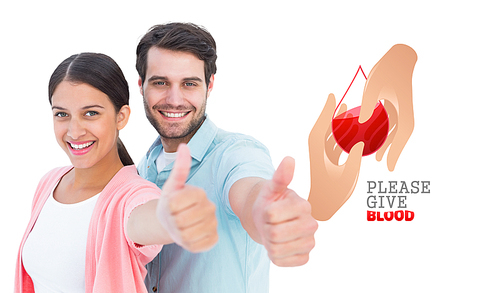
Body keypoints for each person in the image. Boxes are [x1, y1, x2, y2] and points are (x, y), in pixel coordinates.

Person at [135, 22, 319, 293]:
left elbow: (250, 193)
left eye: (189, 84)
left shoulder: (235, 153)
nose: (174, 99)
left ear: (209, 85)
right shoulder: (144, 168)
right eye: (160, 83)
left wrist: (267, 215)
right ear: (141, 86)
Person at [14, 52, 218, 293]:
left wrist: (169, 219)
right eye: (62, 114)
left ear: (121, 117)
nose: (74, 131)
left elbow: (144, 220)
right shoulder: (49, 182)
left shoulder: (131, 195)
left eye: (91, 113)